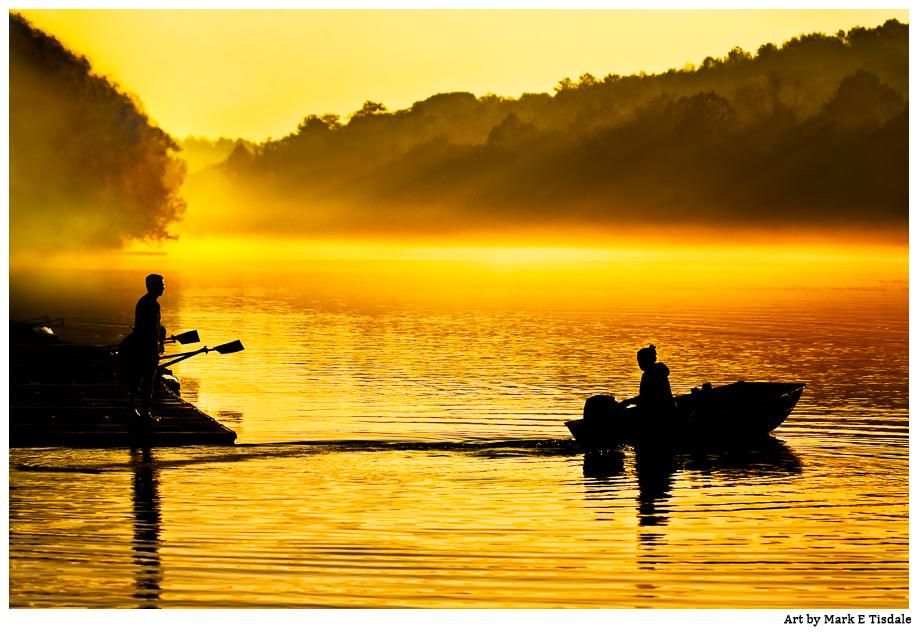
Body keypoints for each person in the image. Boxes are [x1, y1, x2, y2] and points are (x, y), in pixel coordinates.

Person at [128, 274, 166, 423]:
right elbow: (148, 329)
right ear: (153, 286)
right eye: (161, 284)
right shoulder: (150, 304)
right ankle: (143, 413)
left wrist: (160, 337)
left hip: (144, 346)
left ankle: (134, 410)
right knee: (146, 381)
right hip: (145, 348)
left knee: (139, 380)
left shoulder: (147, 301)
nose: (164, 287)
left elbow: (154, 327)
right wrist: (154, 347)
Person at [622, 344, 676, 427]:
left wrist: (627, 402)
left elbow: (645, 398)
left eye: (640, 360)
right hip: (669, 409)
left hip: (657, 415)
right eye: (638, 360)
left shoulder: (648, 375)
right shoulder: (659, 370)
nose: (638, 363)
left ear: (646, 360)